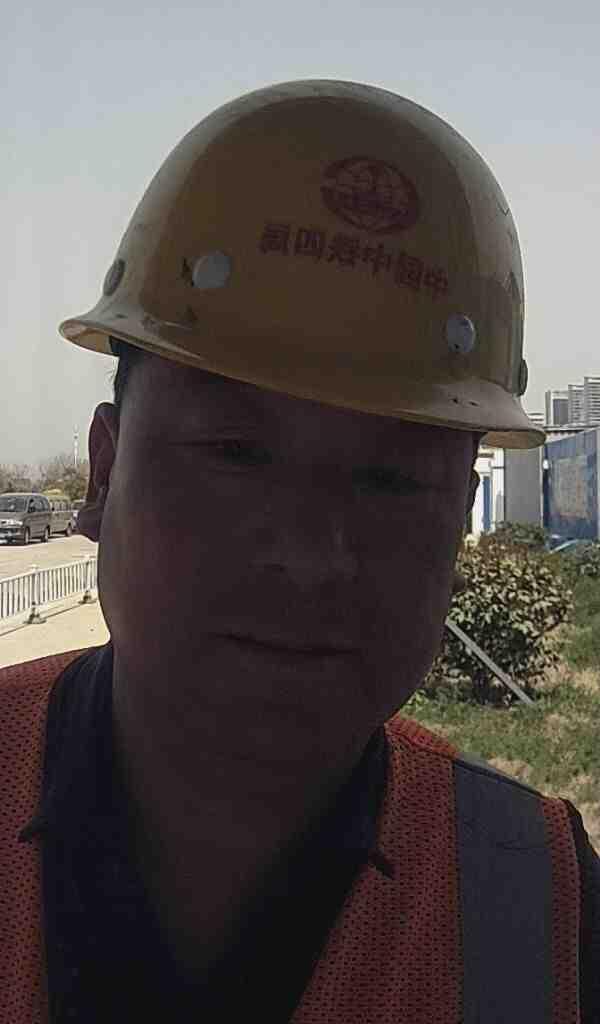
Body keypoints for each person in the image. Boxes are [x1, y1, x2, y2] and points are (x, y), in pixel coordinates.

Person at [1, 80, 598, 1023]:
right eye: (236, 453)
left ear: (458, 517)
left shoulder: (539, 904)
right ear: (104, 474)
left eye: (392, 480)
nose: (313, 554)